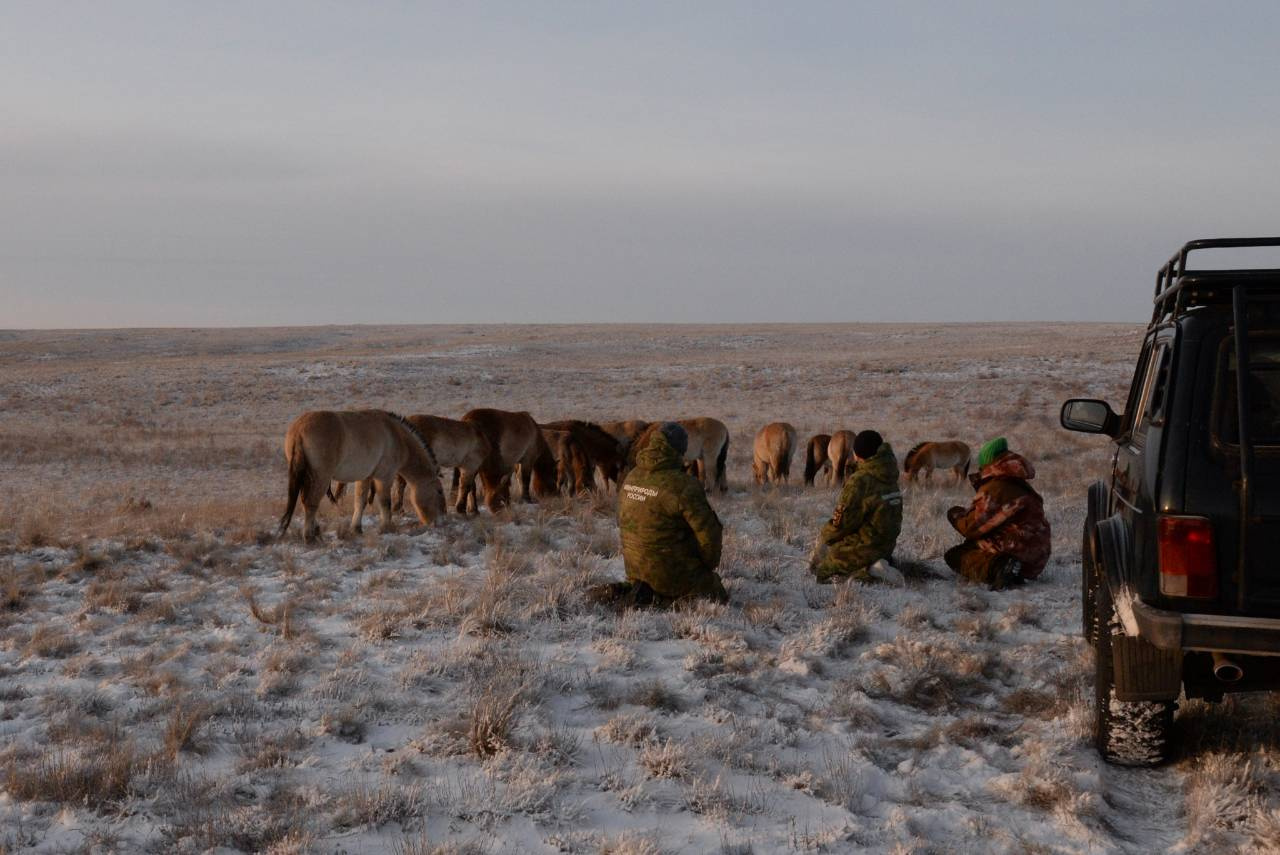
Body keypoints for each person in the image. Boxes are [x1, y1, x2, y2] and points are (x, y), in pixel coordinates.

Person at [596, 422, 727, 608]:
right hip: (670, 572)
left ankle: (637, 591)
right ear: (681, 449)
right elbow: (709, 534)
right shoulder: (684, 485)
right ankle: (663, 599)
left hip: (635, 570)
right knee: (716, 593)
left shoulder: (632, 477)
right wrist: (705, 566)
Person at [945, 437, 1051, 590]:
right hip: (1035, 559)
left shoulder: (997, 487)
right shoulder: (1018, 484)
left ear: (988, 462)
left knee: (957, 555)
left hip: (1017, 552)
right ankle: (1012, 571)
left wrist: (955, 514)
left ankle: (1000, 567)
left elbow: (972, 527)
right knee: (973, 545)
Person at [809, 430, 903, 583]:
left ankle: (870, 572)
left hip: (865, 546)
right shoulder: (889, 473)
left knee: (822, 573)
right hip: (887, 546)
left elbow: (842, 524)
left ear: (858, 454)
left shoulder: (860, 481)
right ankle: (878, 563)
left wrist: (825, 537)